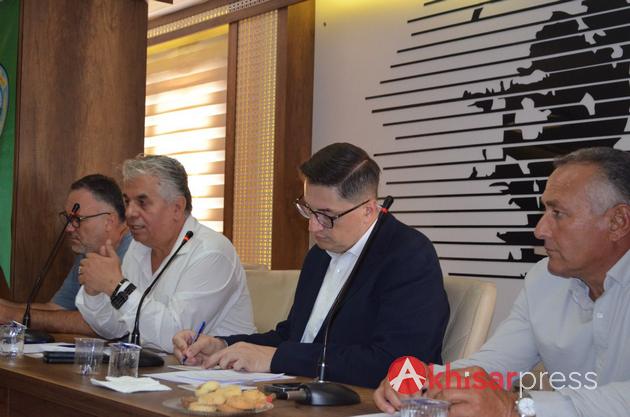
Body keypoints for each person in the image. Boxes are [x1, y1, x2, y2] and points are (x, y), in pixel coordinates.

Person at [374, 147, 630, 417]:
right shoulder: (544, 280)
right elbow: (495, 366)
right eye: (545, 210)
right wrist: (426, 380)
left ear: (618, 222)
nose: (540, 230)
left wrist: (514, 407)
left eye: (558, 213)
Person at [173, 142, 449, 388]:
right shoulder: (319, 255)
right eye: (308, 210)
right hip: (305, 395)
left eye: (326, 215)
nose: (313, 227)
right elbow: (295, 337)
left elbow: (398, 365)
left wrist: (277, 358)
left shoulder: (408, 256)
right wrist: (223, 345)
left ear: (368, 210)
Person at [75, 155, 255, 352]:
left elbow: (174, 337)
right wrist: (95, 291)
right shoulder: (139, 247)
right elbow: (115, 328)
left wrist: (116, 286)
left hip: (218, 369)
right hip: (158, 367)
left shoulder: (212, 252)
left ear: (177, 208)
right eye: (127, 202)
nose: (129, 212)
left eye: (142, 202)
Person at [0, 174, 131, 335]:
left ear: (109, 221)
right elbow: (57, 309)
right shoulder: (88, 251)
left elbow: (102, 325)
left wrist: (11, 315)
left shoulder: (134, 250)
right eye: (68, 219)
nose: (69, 228)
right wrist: (5, 307)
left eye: (78, 219)